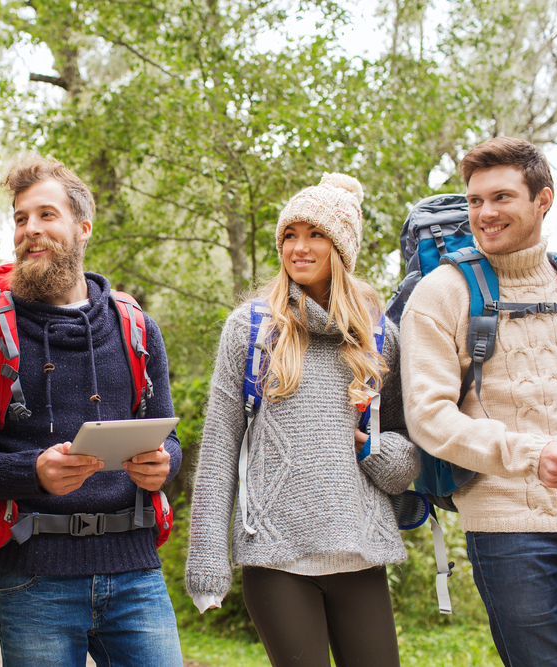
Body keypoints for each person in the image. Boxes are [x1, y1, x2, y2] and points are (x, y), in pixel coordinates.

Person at [0, 155, 183, 667]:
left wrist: (165, 465)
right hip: (33, 580)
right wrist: (34, 473)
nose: (31, 230)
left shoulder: (137, 330)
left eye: (47, 215)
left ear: (82, 227)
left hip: (137, 574)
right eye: (21, 218)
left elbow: (170, 441)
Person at [400, 137, 557, 666]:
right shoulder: (442, 293)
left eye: (501, 197)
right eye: (475, 200)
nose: (484, 213)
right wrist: (532, 456)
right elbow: (430, 417)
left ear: (542, 200)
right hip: (511, 535)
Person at [185, 173, 419, 667]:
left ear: (342, 246)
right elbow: (219, 450)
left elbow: (403, 456)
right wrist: (207, 557)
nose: (299, 247)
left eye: (315, 234)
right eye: (290, 235)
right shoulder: (251, 329)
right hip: (276, 556)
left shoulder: (380, 336)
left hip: (360, 550)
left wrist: (375, 449)